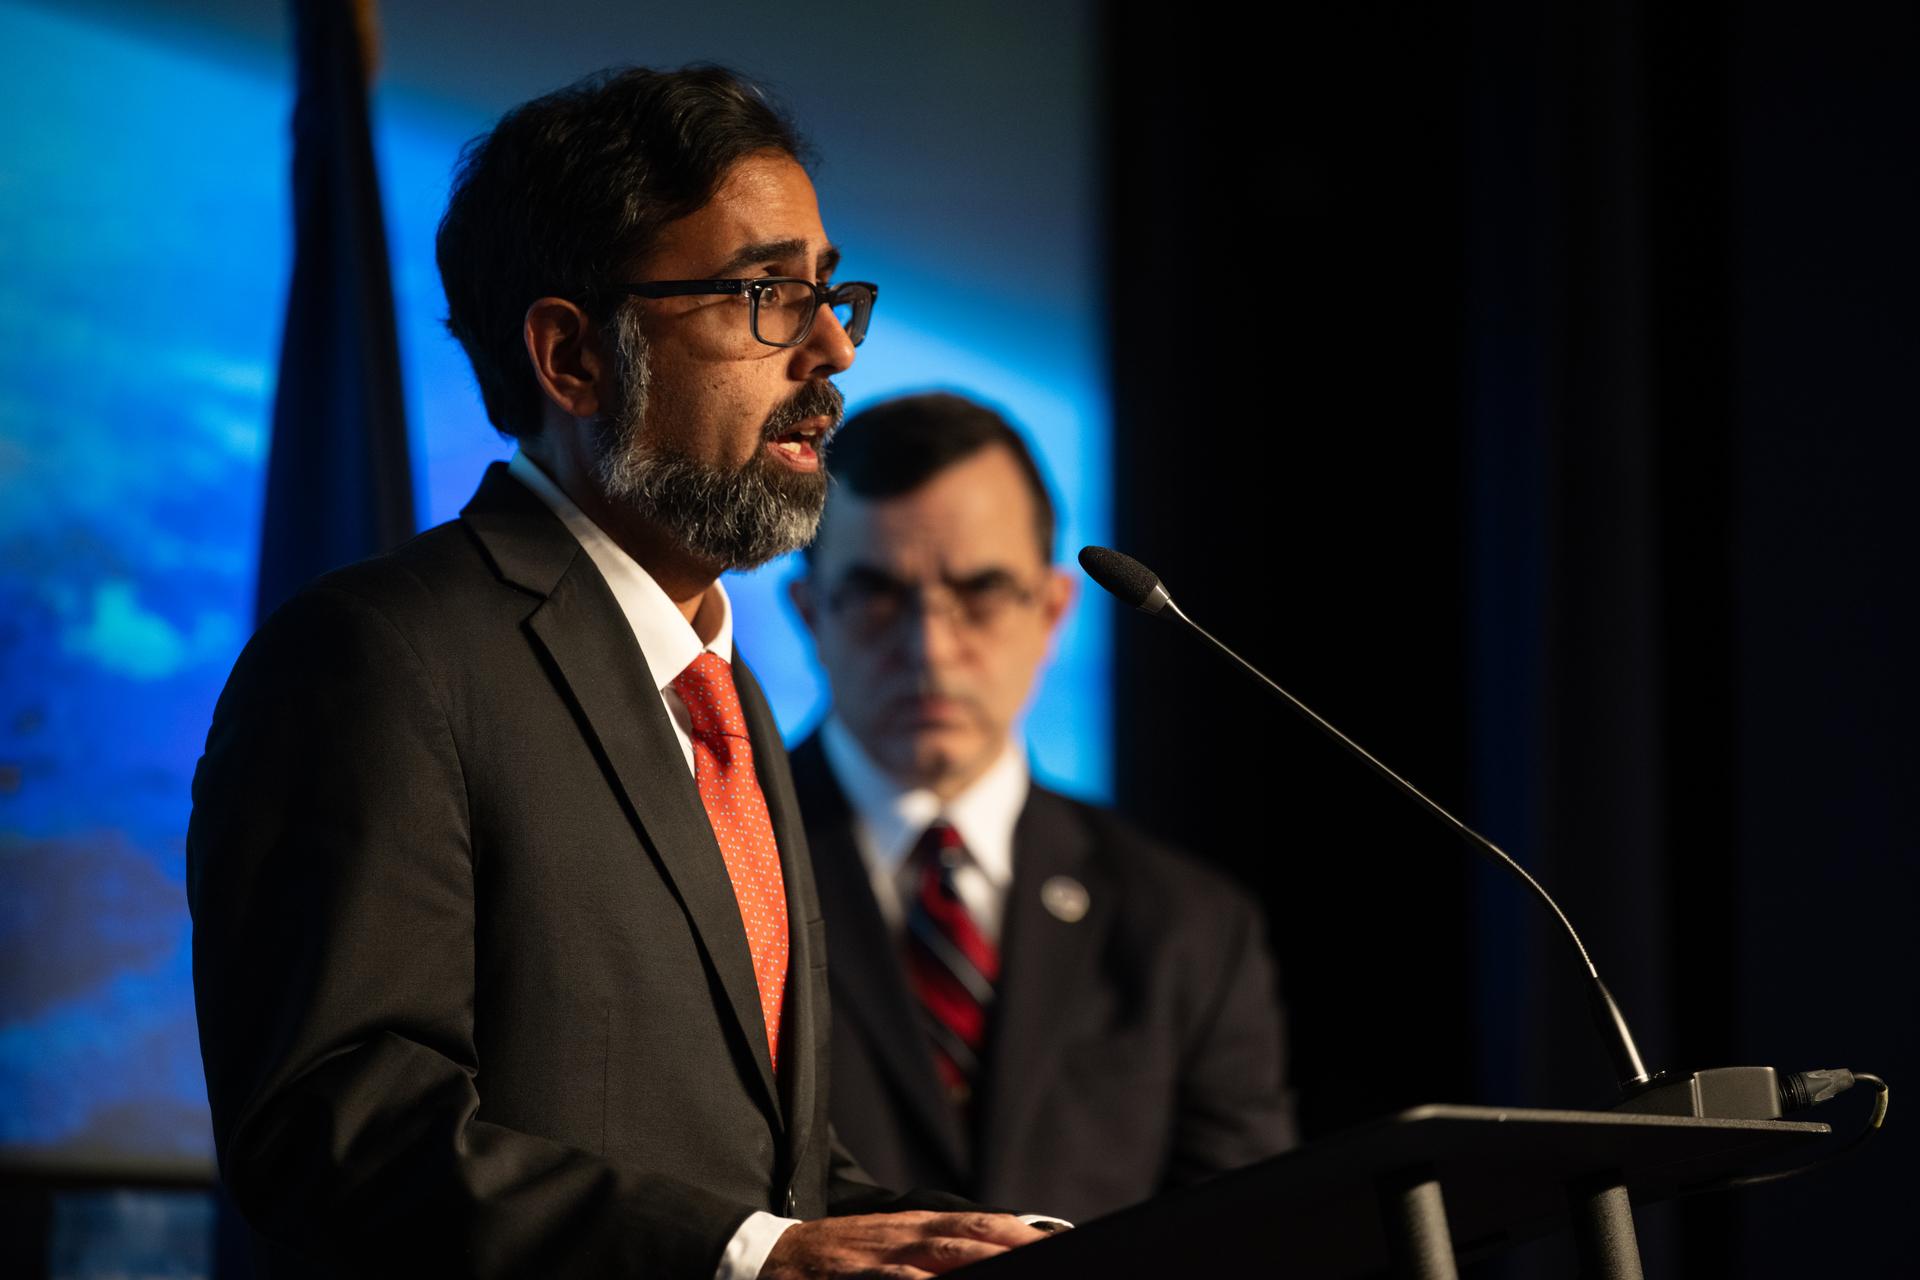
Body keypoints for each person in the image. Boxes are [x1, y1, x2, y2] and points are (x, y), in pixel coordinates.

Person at [186, 68, 1049, 1279]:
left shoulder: (729, 695)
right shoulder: (381, 659)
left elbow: (766, 1181)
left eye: (828, 289)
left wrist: (974, 1244)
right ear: (572, 356)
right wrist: (751, 1258)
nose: (834, 344)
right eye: (765, 292)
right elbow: (337, 1126)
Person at [788, 393, 1298, 1222]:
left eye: (981, 592)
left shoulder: (1190, 925)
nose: (930, 648)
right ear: (811, 614)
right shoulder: (706, 867)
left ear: (1054, 611)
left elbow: (1248, 1240)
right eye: (879, 594)